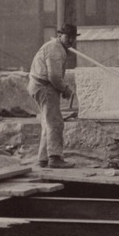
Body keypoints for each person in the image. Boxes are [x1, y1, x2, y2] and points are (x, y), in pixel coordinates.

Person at [27, 23, 78, 168]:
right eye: (68, 37)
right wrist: (65, 90)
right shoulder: (56, 49)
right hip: (44, 87)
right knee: (55, 122)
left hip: (39, 86)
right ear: (60, 35)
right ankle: (55, 158)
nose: (70, 40)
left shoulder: (55, 46)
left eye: (73, 38)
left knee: (48, 122)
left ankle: (43, 159)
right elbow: (54, 77)